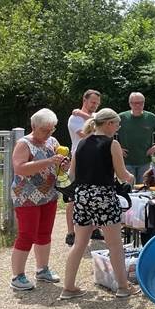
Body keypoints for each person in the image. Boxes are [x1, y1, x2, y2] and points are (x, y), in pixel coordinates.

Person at [60, 108, 137, 299]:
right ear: (109, 123)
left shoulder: (82, 143)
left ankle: (68, 288)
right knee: (115, 244)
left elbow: (72, 175)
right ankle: (122, 287)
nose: (118, 128)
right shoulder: (113, 144)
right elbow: (121, 175)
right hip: (104, 196)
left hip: (82, 196)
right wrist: (131, 177)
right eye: (117, 124)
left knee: (79, 243)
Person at [9, 108, 68, 291]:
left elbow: (60, 167)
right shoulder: (24, 143)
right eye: (45, 130)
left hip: (48, 195)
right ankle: (17, 275)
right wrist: (50, 162)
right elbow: (20, 168)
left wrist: (63, 165)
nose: (49, 133)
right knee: (27, 234)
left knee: (44, 233)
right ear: (34, 126)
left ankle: (42, 269)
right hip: (26, 197)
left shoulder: (52, 141)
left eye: (52, 129)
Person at [64, 89, 102, 246]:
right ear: (84, 100)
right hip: (78, 161)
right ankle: (70, 232)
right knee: (73, 196)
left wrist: (85, 116)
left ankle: (93, 228)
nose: (95, 105)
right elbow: (86, 134)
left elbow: (101, 127)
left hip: (96, 160)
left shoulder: (91, 116)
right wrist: (86, 118)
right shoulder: (74, 118)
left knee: (95, 194)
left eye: (97, 103)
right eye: (93, 102)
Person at [117, 92, 155, 181]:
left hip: (145, 160)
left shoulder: (150, 117)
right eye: (135, 103)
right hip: (126, 161)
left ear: (144, 103)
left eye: (141, 103)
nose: (138, 105)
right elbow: (107, 131)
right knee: (128, 188)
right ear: (130, 104)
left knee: (144, 187)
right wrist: (117, 148)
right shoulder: (121, 117)